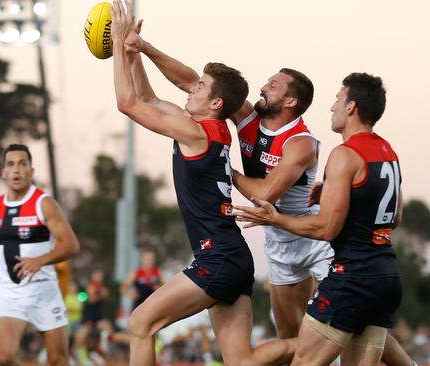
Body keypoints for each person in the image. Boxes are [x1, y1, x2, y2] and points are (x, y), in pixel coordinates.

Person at [125, 18, 415, 366]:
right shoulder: (247, 118)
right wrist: (145, 48)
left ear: (290, 100)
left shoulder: (301, 142)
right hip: (277, 241)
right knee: (292, 336)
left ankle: (408, 363)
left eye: (273, 85)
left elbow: (265, 194)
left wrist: (223, 169)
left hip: (314, 238)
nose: (263, 86)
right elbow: (191, 82)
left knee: (345, 319)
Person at [108, 1, 294, 364]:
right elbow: (146, 97)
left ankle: (320, 344)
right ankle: (316, 345)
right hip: (234, 256)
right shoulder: (211, 127)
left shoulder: (195, 133)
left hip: (220, 257)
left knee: (140, 323)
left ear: (216, 102)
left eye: (201, 87)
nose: (191, 89)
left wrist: (116, 43)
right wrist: (134, 51)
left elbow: (127, 102)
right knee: (241, 361)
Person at [233, 73, 404, 366]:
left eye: (338, 99)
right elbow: (394, 217)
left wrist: (277, 220)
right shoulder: (388, 151)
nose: (332, 107)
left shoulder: (345, 154)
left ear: (351, 107)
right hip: (386, 274)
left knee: (302, 360)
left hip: (352, 276)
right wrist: (338, 195)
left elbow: (326, 228)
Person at [0, 144, 80, 366]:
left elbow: (71, 245)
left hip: (44, 292)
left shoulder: (44, 204)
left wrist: (39, 261)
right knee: (5, 357)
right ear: (3, 172)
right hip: (10, 294)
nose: (17, 170)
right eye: (10, 164)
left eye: (23, 164)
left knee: (58, 360)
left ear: (31, 170)